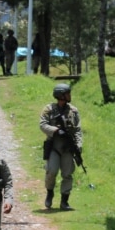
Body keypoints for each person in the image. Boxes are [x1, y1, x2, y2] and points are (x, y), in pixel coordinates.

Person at [39, 83, 83, 211]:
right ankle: (50, 192)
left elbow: (78, 130)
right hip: (54, 146)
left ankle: (64, 201)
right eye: (67, 93)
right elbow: (42, 125)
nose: (70, 96)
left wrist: (79, 145)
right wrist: (56, 131)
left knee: (67, 174)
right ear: (61, 95)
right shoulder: (49, 109)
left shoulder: (73, 111)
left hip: (68, 148)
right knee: (51, 171)